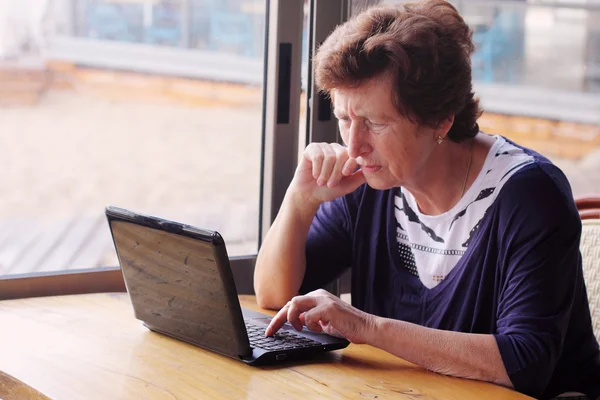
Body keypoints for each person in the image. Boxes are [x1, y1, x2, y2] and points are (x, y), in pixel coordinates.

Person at [253, 1, 600, 399]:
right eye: (345, 119)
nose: (354, 145)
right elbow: (274, 296)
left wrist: (367, 328)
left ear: (441, 120)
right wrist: (300, 201)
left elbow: (525, 362)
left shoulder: (530, 195)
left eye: (376, 123)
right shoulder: (371, 181)